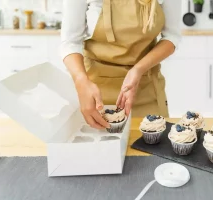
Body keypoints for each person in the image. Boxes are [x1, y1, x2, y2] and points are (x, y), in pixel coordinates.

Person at [60, 0, 181, 129]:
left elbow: (171, 37)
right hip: (94, 90)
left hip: (145, 86)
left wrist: (138, 69)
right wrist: (80, 81)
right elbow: (70, 42)